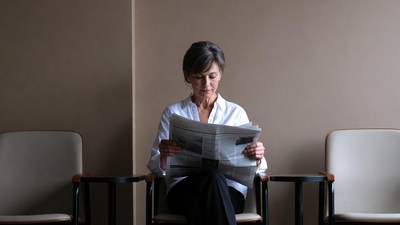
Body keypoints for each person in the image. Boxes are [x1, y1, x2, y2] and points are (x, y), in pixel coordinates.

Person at [147, 41, 267, 225]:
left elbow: (260, 168)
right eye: (198, 77)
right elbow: (155, 166)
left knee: (211, 182)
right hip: (184, 191)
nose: (206, 84)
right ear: (188, 76)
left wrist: (257, 156)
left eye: (212, 76)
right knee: (209, 180)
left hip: (229, 193)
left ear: (220, 74)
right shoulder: (173, 113)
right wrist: (163, 156)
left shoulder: (235, 113)